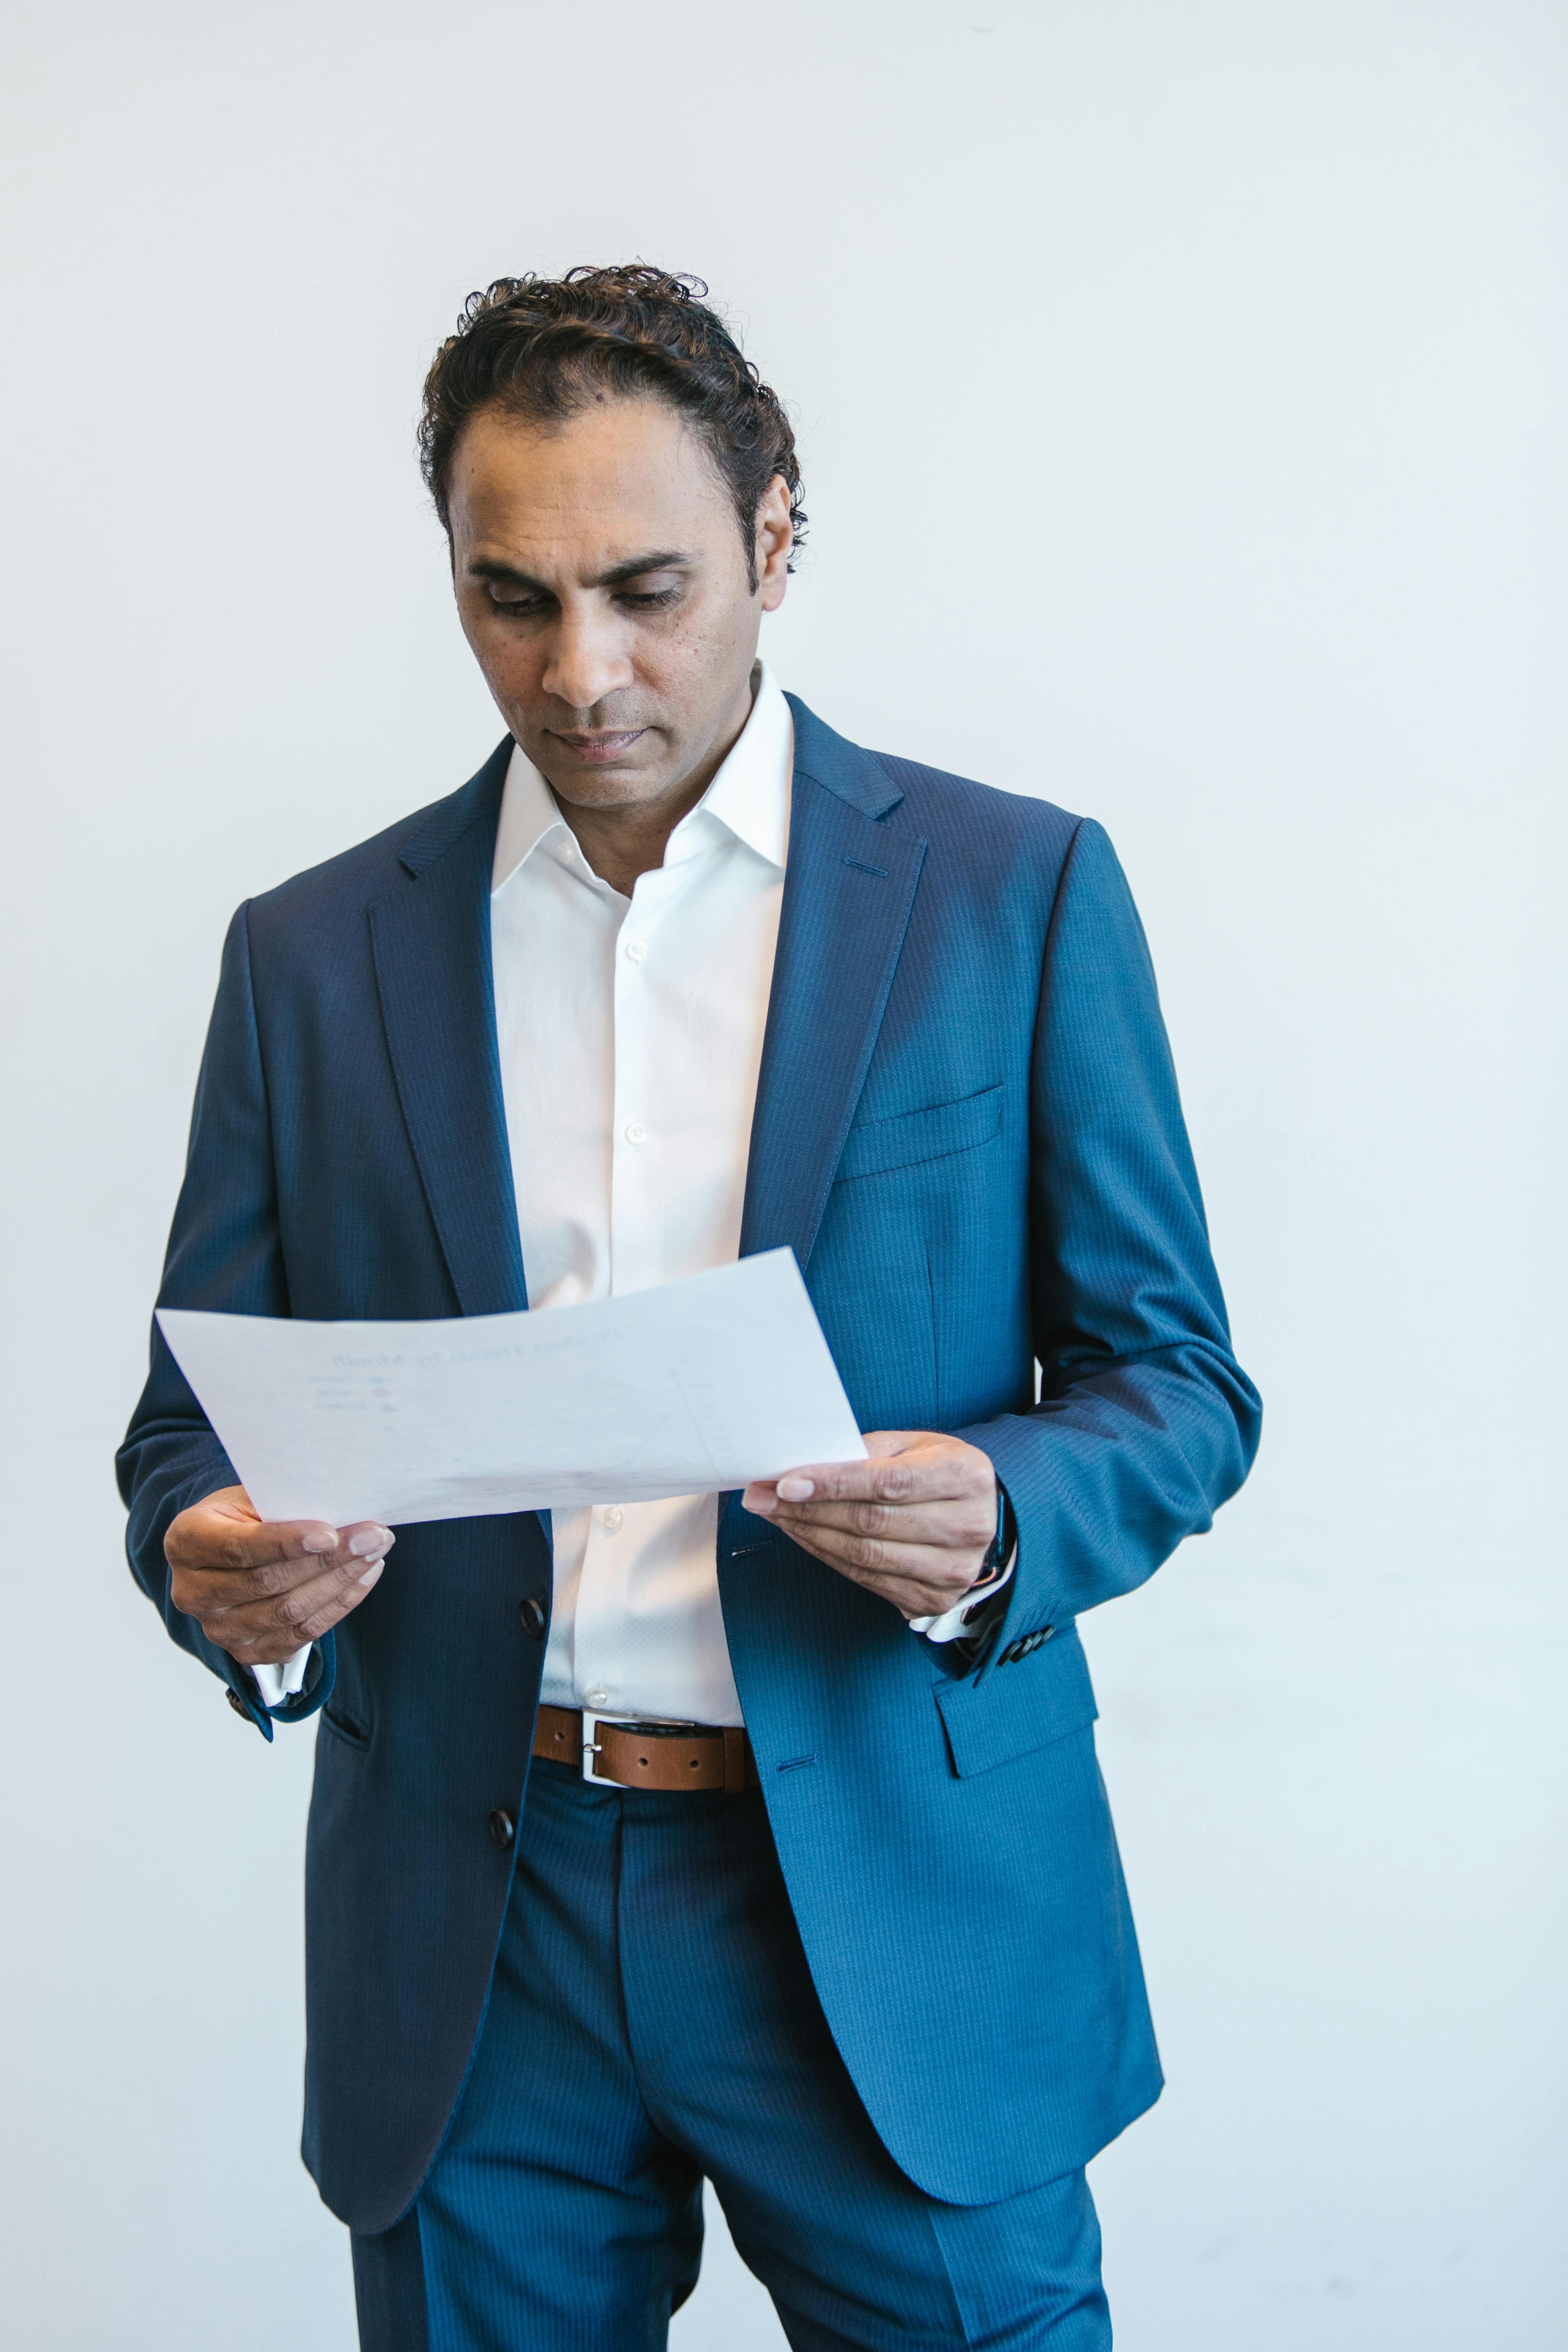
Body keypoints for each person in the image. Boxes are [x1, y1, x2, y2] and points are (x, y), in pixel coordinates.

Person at [119, 265, 1261, 2351]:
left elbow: (1178, 1383)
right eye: (513, 599)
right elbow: (187, 1429)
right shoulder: (307, 958)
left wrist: (1000, 1513)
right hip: (482, 1930)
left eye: (648, 586)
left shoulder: (1014, 896)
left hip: (894, 1906)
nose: (583, 671)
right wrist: (213, 1561)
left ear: (778, 537)